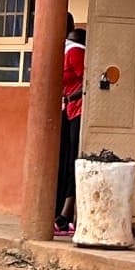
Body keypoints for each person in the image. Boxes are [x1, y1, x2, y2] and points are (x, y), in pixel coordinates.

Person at [54, 16, 87, 238]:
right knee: (62, 160)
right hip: (67, 111)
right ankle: (59, 212)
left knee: (72, 161)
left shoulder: (74, 51)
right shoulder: (60, 50)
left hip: (78, 111)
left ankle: (66, 215)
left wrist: (71, 97)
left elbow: (89, 81)